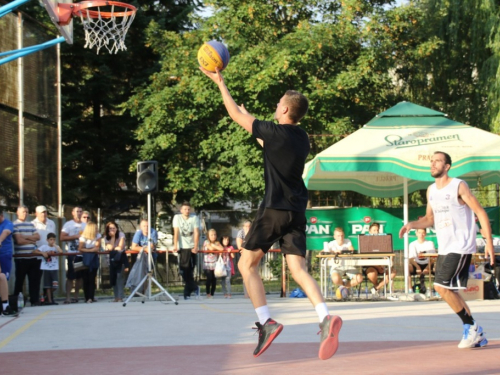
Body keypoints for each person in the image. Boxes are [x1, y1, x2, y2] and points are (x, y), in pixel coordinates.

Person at [201, 67, 341, 360]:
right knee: (299, 269)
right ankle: (325, 316)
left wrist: (221, 83)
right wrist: (253, 123)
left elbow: (235, 116)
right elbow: (268, 145)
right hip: (296, 211)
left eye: (279, 104)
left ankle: (266, 322)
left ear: (286, 108)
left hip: (274, 208)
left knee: (246, 265)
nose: (276, 107)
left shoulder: (274, 130)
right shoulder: (301, 138)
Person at [399, 151, 494, 349]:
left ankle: (470, 326)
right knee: (448, 289)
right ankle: (475, 331)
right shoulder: (431, 190)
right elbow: (429, 219)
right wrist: (412, 224)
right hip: (445, 246)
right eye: (431, 161)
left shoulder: (458, 185)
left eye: (437, 161)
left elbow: (480, 211)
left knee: (440, 287)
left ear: (447, 166)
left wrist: (489, 243)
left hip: (461, 245)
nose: (433, 164)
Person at [13, 205, 41, 306]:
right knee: (20, 280)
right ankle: (17, 301)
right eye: (23, 212)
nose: (25, 214)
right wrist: (31, 238)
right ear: (18, 212)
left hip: (33, 257)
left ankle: (34, 300)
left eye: (27, 212)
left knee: (34, 280)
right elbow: (19, 241)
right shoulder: (15, 225)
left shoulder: (31, 225)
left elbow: (37, 237)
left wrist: (25, 236)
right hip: (21, 257)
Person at [172, 202, 200, 300]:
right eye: (185, 209)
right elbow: (176, 232)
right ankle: (194, 287)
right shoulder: (177, 218)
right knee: (184, 270)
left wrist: (196, 246)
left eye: (188, 209)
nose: (187, 211)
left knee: (190, 270)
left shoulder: (194, 218)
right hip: (182, 247)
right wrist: (175, 246)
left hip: (191, 247)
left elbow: (196, 232)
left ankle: (187, 293)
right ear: (181, 210)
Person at [324, 227, 363, 292]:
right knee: (335, 279)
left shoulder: (347, 241)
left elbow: (351, 250)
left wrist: (342, 251)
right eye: (338, 236)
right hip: (336, 267)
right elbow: (323, 252)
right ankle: (343, 287)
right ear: (334, 237)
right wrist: (333, 252)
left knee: (359, 278)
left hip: (349, 266)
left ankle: (344, 287)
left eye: (342, 235)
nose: (340, 238)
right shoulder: (331, 243)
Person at [60, 206, 85, 304]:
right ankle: (68, 297)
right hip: (71, 253)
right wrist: (75, 236)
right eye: (77, 211)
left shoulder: (85, 225)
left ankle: (76, 296)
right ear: (73, 213)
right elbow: (62, 237)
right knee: (70, 276)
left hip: (82, 254)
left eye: (80, 211)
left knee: (79, 277)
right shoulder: (68, 224)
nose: (79, 213)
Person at [365, 222, 397, 296]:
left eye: (377, 230)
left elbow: (390, 254)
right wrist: (378, 266)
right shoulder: (365, 242)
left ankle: (376, 288)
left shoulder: (383, 242)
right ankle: (377, 287)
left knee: (392, 273)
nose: (376, 232)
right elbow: (364, 259)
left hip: (382, 266)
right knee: (371, 274)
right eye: (374, 230)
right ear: (369, 232)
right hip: (371, 266)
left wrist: (389, 262)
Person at [104, 222, 129, 302]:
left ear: (117, 228)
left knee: (120, 277)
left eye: (114, 228)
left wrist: (115, 247)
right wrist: (113, 237)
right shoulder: (106, 237)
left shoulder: (121, 234)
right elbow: (110, 247)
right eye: (110, 228)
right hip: (111, 260)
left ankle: (120, 296)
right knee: (113, 278)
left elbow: (121, 247)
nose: (112, 230)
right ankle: (116, 297)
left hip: (120, 259)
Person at [78, 222, 101, 303]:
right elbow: (80, 248)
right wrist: (90, 250)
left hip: (94, 259)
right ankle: (87, 297)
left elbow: (97, 247)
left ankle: (91, 297)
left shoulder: (98, 236)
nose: (97, 230)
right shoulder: (83, 237)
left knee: (92, 278)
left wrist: (89, 250)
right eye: (95, 228)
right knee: (86, 279)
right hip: (85, 259)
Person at [37, 233, 63, 305]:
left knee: (55, 285)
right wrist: (42, 253)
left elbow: (61, 252)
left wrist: (55, 245)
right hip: (46, 268)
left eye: (54, 239)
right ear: (47, 240)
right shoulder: (44, 247)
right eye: (51, 239)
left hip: (54, 268)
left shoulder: (56, 247)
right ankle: (50, 300)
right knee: (48, 285)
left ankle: (46, 296)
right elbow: (35, 251)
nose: (52, 241)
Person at [408, 228, 436, 293]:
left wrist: (428, 267)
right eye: (419, 232)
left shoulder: (430, 243)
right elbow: (411, 258)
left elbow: (433, 258)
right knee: (407, 268)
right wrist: (417, 267)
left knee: (438, 268)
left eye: (423, 233)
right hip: (416, 264)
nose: (421, 234)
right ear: (416, 233)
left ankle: (436, 289)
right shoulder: (412, 244)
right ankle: (410, 289)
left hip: (428, 264)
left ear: (425, 234)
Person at [0, 210, 16, 316]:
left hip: (4, 254)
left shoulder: (8, 224)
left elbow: (5, 233)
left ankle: (5, 306)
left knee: (2, 277)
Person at [202, 229, 223, 298]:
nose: (213, 236)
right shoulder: (206, 242)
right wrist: (214, 247)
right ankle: (208, 293)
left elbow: (221, 249)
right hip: (207, 264)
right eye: (211, 235)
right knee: (209, 278)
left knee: (214, 280)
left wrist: (214, 246)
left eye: (215, 234)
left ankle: (212, 293)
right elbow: (210, 248)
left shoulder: (217, 242)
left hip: (215, 265)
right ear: (208, 236)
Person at [236, 220, 252, 298]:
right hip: (244, 256)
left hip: (253, 256)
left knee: (253, 275)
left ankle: (253, 293)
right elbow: (240, 247)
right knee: (245, 275)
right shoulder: (241, 233)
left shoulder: (254, 233)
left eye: (249, 226)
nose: (248, 228)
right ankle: (246, 293)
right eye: (246, 226)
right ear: (243, 227)